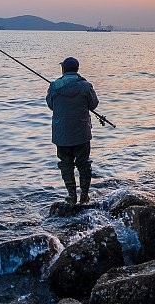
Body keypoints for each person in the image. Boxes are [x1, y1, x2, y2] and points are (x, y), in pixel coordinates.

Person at [46, 57, 99, 204]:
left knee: (65, 164)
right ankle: (84, 196)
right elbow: (93, 105)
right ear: (77, 69)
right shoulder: (86, 86)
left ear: (63, 69)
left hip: (61, 134)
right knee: (84, 163)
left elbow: (51, 105)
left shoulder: (54, 86)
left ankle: (71, 196)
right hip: (81, 132)